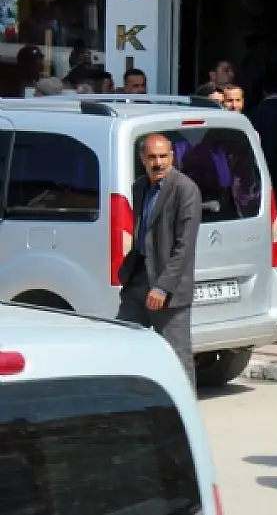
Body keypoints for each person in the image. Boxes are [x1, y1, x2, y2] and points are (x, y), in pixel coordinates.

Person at [116, 134, 202, 386]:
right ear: (142, 159)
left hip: (168, 286)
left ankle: (185, 412)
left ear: (172, 156)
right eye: (152, 157)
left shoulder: (185, 189)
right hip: (139, 277)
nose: (159, 162)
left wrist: (163, 287)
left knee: (177, 353)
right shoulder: (140, 186)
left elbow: (184, 246)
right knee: (125, 342)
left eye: (164, 156)